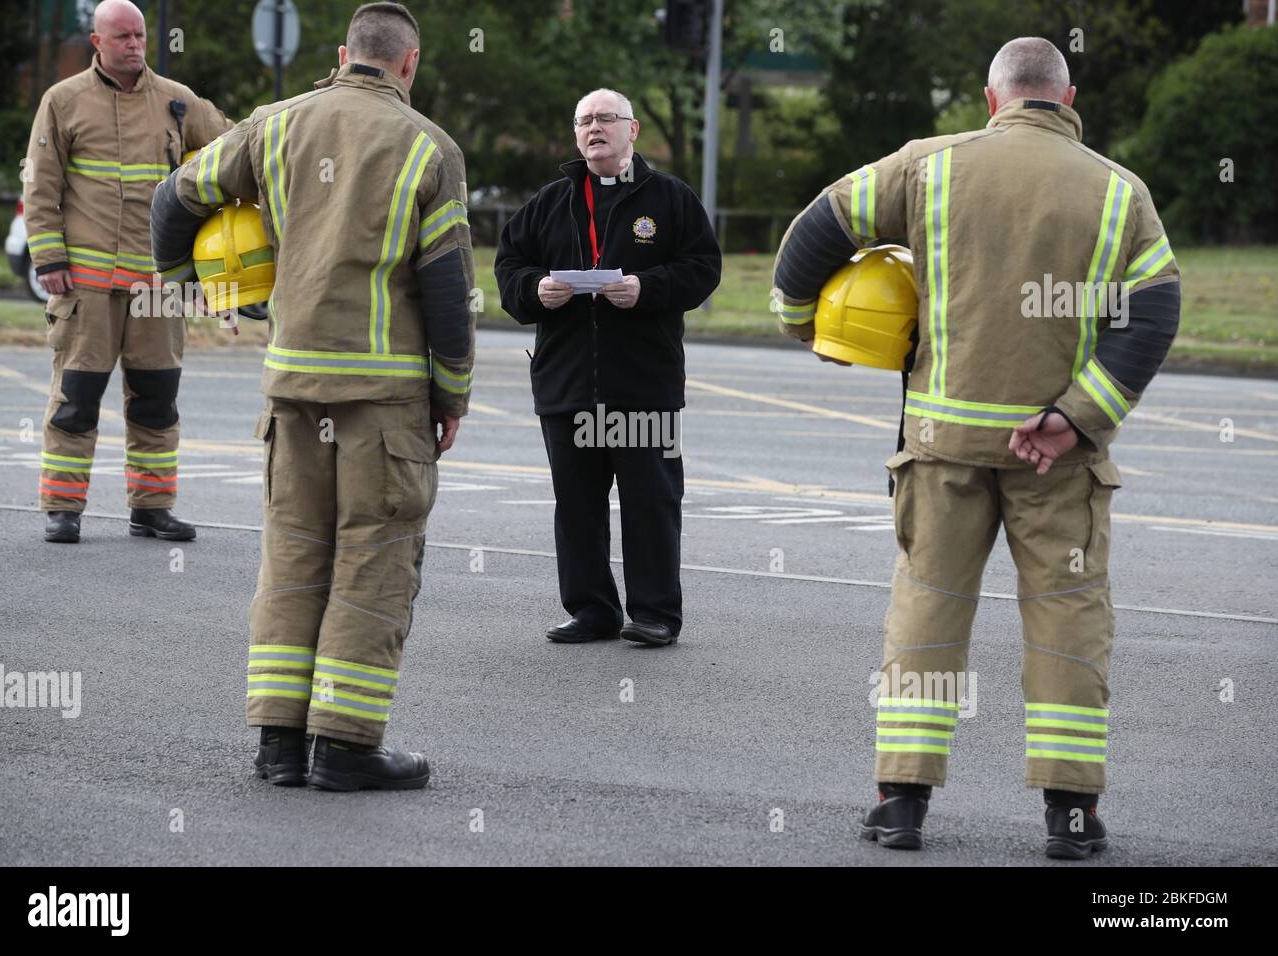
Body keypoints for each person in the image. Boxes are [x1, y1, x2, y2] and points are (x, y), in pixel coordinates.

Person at [772, 37, 1180, 858]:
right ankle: (1070, 818)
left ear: (991, 99)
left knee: (927, 614)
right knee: (1068, 620)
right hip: (1056, 457)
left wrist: (797, 318)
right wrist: (1076, 415)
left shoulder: (928, 165)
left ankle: (901, 806)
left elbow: (818, 226)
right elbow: (1155, 311)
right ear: (1069, 99)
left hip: (941, 446)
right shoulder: (1118, 191)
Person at [150, 1, 475, 791]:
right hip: (385, 404)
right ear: (409, 63)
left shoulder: (274, 125)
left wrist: (205, 290)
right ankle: (346, 748)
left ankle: (278, 747)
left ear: (341, 54)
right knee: (373, 562)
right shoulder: (429, 148)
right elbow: (446, 292)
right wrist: (452, 395)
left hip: (289, 396)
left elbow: (172, 204)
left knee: (293, 557)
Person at [495, 88, 721, 648]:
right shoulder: (552, 201)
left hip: (644, 388)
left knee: (651, 502)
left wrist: (647, 287)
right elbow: (508, 267)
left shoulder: (668, 198)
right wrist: (534, 290)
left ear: (633, 129)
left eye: (605, 119)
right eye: (584, 121)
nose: (594, 128)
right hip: (567, 385)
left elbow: (703, 268)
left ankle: (654, 613)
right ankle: (591, 609)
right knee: (577, 506)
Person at [25, 0, 231, 544]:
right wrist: (48, 259)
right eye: (122, 36)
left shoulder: (177, 102)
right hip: (85, 285)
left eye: (139, 35)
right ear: (97, 42)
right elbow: (40, 187)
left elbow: (232, 149)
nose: (135, 44)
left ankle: (152, 508)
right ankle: (63, 509)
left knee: (157, 402)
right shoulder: (62, 101)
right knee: (76, 401)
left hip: (158, 288)